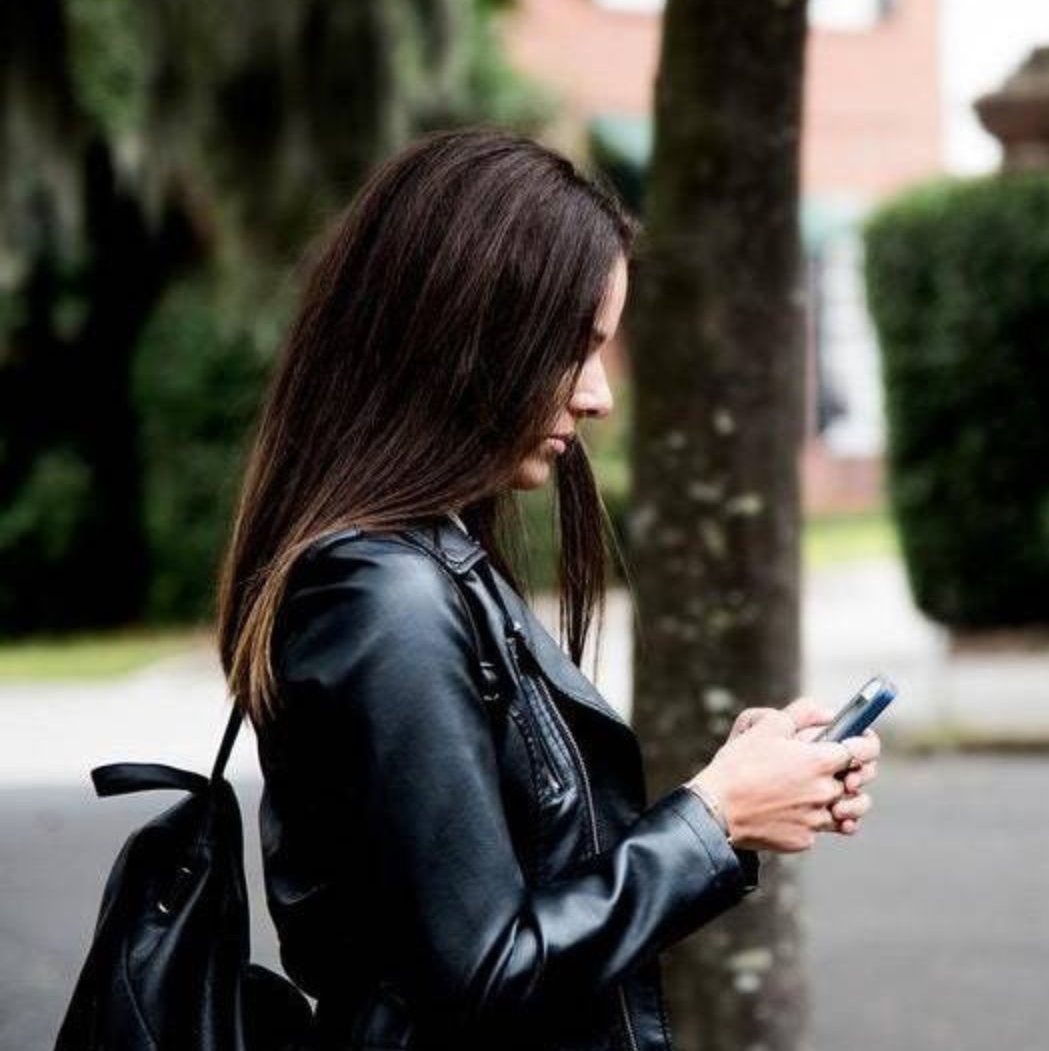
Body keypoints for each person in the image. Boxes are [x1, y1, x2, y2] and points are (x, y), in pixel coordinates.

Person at [214, 128, 880, 1051]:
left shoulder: (428, 561)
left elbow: (520, 894)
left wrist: (738, 793)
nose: (600, 394)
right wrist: (713, 821)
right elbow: (485, 976)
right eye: (575, 346)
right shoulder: (381, 599)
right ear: (463, 332)